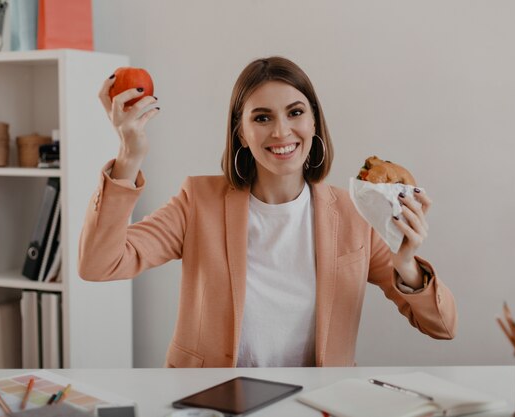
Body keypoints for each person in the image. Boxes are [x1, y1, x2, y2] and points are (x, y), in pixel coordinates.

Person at [78, 56, 457, 368]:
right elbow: (99, 264)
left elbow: (442, 326)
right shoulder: (198, 201)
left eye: (295, 113)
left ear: (313, 122)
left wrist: (406, 263)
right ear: (241, 132)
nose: (281, 131)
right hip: (212, 400)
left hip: (317, 403)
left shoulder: (353, 213)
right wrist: (129, 154)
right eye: (262, 118)